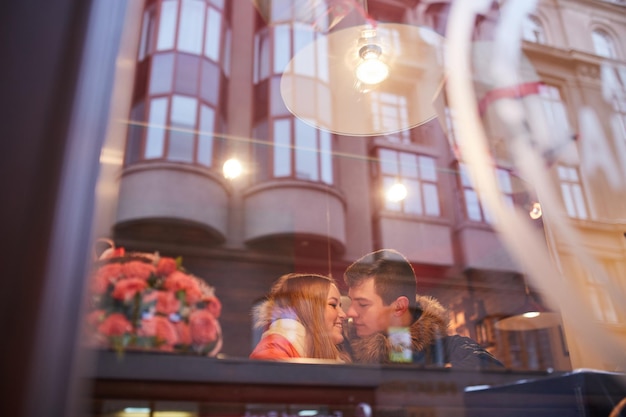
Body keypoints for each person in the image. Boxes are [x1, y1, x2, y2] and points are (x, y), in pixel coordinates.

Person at [343, 249, 504, 369]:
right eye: (352, 302)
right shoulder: (346, 353)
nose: (350, 312)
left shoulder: (454, 351)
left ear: (399, 307)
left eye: (363, 304)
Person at [250, 273, 350, 362]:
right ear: (307, 309)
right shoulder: (274, 350)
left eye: (340, 306)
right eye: (333, 305)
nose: (343, 314)